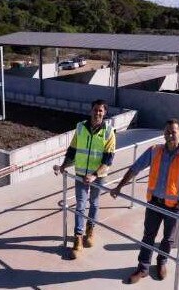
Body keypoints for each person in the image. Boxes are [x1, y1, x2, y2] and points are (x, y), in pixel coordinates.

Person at [110, 118, 179, 283]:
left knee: (168, 239)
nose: (170, 135)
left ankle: (161, 262)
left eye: (173, 131)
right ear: (163, 133)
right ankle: (143, 268)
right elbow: (135, 168)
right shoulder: (155, 151)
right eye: (167, 131)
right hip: (154, 203)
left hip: (174, 207)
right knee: (148, 235)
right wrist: (119, 187)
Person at [54, 99, 116, 260]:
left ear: (105, 113)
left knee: (94, 203)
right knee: (80, 205)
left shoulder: (109, 132)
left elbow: (109, 159)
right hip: (81, 174)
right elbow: (73, 150)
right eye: (95, 110)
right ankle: (78, 238)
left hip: (99, 176)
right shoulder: (80, 127)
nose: (97, 113)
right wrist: (63, 166)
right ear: (91, 111)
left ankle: (90, 230)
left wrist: (95, 175)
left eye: (101, 111)